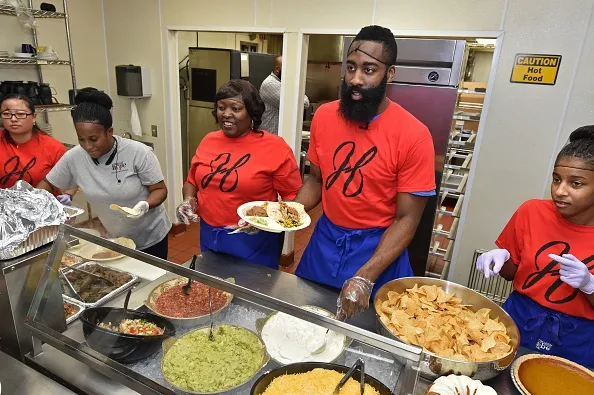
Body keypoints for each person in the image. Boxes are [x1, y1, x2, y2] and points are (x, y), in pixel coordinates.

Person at [293, 25, 436, 320]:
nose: (356, 79)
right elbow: (317, 180)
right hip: (325, 242)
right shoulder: (323, 117)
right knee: (306, 321)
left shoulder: (414, 134)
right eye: (351, 67)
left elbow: (407, 218)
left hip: (379, 250)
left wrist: (365, 276)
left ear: (390, 73)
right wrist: (281, 213)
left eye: (369, 69)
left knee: (366, 336)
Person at [476, 125, 594, 368]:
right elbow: (512, 273)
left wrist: (589, 286)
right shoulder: (532, 212)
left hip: (577, 341)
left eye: (576, 184)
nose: (560, 191)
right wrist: (500, 259)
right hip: (519, 320)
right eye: (556, 179)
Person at [176, 79, 302, 269]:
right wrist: (188, 199)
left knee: (253, 292)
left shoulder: (275, 147)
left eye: (236, 108)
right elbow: (192, 181)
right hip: (210, 235)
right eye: (221, 107)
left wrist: (265, 222)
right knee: (214, 290)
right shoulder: (208, 140)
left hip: (255, 240)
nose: (226, 114)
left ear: (251, 112)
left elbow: (293, 199)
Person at [36, 88, 171, 259]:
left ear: (109, 132)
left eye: (93, 139)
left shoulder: (138, 153)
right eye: (81, 139)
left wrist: (144, 205)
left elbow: (160, 190)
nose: (87, 146)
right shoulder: (74, 157)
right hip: (115, 238)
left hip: (150, 237)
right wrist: (36, 202)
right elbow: (48, 183)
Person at [0, 94, 74, 203]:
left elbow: (72, 176)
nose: (13, 119)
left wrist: (68, 195)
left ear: (34, 117)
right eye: (6, 114)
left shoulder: (52, 147)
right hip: (6, 209)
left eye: (20, 114)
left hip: (43, 209)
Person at [259, 55, 310, 136]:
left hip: (279, 135)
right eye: (287, 69)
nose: (289, 73)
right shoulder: (270, 84)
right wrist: (296, 91)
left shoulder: (284, 84)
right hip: (270, 134)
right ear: (277, 69)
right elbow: (300, 104)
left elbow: (305, 103)